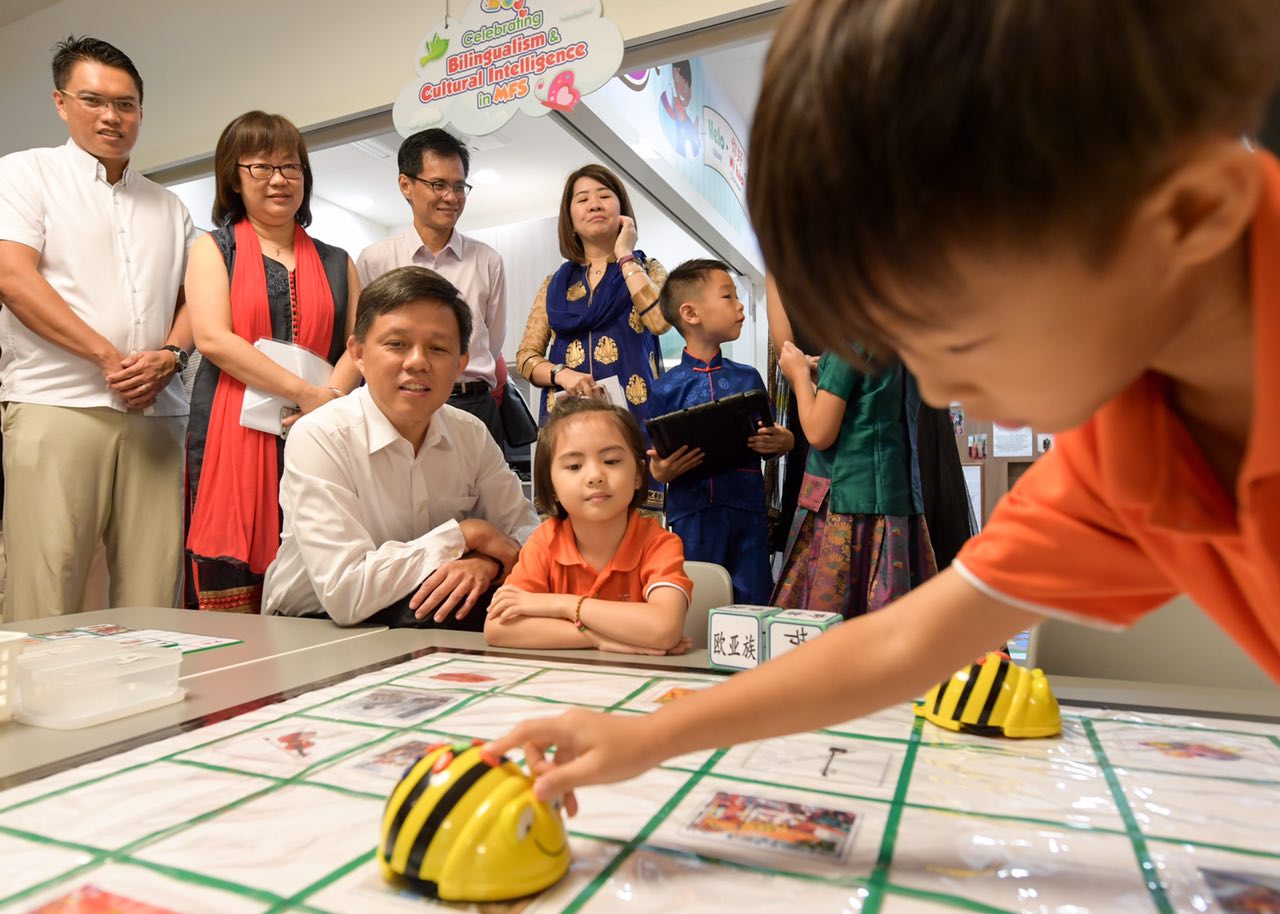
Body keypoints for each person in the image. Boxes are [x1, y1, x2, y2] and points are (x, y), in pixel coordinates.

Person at [486, 0, 1280, 803]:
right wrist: (654, 735)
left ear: (1189, 214)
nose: (938, 387)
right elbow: (904, 642)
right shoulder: (1137, 439)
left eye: (958, 333)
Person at [0, 36, 197, 621]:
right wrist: (107, 357)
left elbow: (195, 301)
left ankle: (150, 686)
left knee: (154, 592)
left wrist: (171, 355)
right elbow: (12, 277)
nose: (111, 116)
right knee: (47, 584)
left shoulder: (170, 206)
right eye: (93, 100)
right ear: (61, 103)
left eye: (125, 104)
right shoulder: (24, 173)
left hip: (157, 415)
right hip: (58, 403)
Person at [263, 266, 539, 627]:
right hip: (313, 624)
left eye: (438, 348)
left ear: (460, 364)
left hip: (427, 617)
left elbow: (526, 532)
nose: (417, 362)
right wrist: (465, 535)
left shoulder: (470, 433)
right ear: (359, 353)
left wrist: (487, 561)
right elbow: (346, 592)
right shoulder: (320, 435)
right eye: (396, 344)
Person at [183, 111, 361, 614]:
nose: (279, 179)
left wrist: (329, 400)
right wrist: (306, 394)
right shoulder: (213, 248)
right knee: (231, 593)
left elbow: (359, 343)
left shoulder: (338, 260)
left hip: (321, 429)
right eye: (261, 167)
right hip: (233, 430)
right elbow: (213, 339)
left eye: (291, 167)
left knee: (320, 568)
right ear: (233, 179)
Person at [515, 164, 672, 512]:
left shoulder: (648, 269)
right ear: (570, 219)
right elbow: (526, 358)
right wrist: (561, 374)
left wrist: (626, 256)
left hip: (632, 424)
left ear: (623, 211)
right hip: (568, 424)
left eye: (604, 196)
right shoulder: (553, 285)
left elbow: (660, 320)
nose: (595, 204)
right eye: (583, 199)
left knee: (635, 531)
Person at [485, 396, 691, 654]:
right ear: (552, 486)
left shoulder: (659, 544)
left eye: (611, 461)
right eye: (574, 466)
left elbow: (663, 629)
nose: (595, 476)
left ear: (638, 475)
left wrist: (564, 605)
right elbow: (497, 628)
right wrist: (596, 639)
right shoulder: (544, 542)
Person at [647, 259, 793, 606]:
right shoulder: (665, 388)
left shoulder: (748, 377)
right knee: (698, 601)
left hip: (748, 510)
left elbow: (768, 436)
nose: (740, 306)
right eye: (728, 296)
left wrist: (784, 441)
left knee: (753, 599)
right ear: (690, 313)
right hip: (692, 514)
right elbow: (654, 456)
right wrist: (661, 472)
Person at [357, 129, 508, 447]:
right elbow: (367, 340)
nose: (451, 197)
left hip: (473, 405)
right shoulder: (376, 260)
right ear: (406, 185)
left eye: (459, 186)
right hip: (399, 406)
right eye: (438, 185)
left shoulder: (488, 260)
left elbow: (491, 343)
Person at [773, 342, 936, 615]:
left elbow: (819, 433)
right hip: (897, 501)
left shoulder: (847, 344)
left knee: (830, 620)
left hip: (845, 503)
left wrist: (798, 374)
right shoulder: (910, 341)